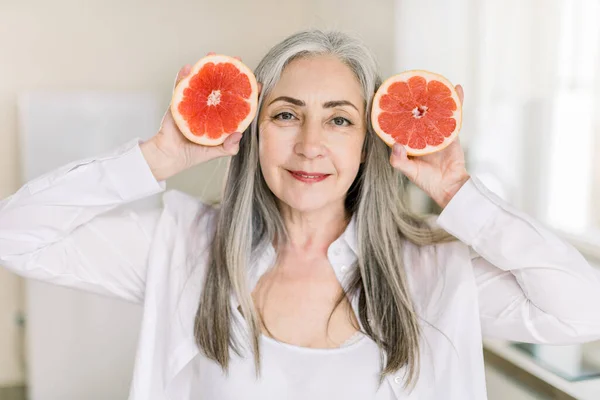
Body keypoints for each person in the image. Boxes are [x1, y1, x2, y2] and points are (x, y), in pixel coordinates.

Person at [1, 29, 599, 400]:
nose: (310, 143)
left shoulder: (431, 272)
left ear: (368, 140)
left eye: (339, 119)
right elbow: (16, 236)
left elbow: (583, 310)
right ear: (254, 130)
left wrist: (459, 191)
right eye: (286, 114)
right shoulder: (183, 248)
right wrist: (159, 157)